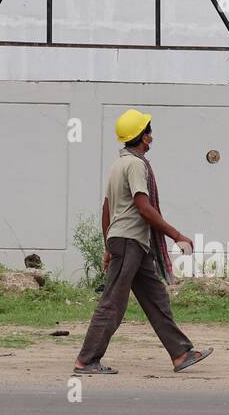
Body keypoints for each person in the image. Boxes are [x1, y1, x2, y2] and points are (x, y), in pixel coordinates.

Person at [73, 109, 213, 375]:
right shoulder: (136, 165)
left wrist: (107, 245)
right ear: (142, 137)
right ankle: (86, 360)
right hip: (129, 242)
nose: (151, 136)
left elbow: (106, 209)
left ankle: (181, 353)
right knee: (113, 302)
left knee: (156, 298)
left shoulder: (118, 165)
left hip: (128, 242)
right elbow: (143, 207)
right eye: (149, 131)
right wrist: (177, 235)